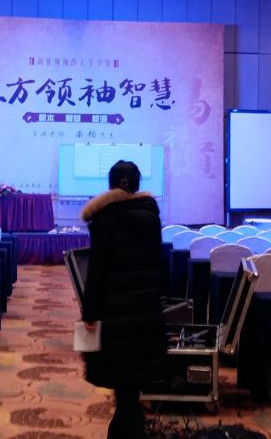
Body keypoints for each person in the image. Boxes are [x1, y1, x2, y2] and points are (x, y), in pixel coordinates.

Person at [81, 160, 167, 439]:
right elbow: (158, 264)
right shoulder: (151, 216)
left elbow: (96, 273)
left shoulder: (104, 219)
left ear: (110, 185)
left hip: (115, 315)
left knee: (125, 393)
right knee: (131, 392)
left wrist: (89, 315)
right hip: (146, 310)